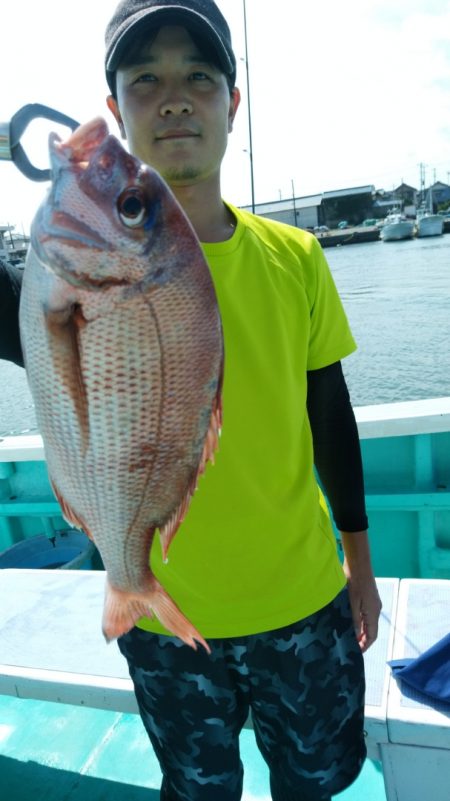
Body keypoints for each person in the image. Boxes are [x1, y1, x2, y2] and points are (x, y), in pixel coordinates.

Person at [0, 1, 382, 798]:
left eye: (199, 77)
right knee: (200, 787)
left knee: (314, 784)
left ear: (232, 103)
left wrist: (362, 567)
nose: (174, 97)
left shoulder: (296, 255)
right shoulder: (56, 285)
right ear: (116, 109)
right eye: (146, 79)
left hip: (305, 603)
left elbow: (331, 416)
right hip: (167, 617)